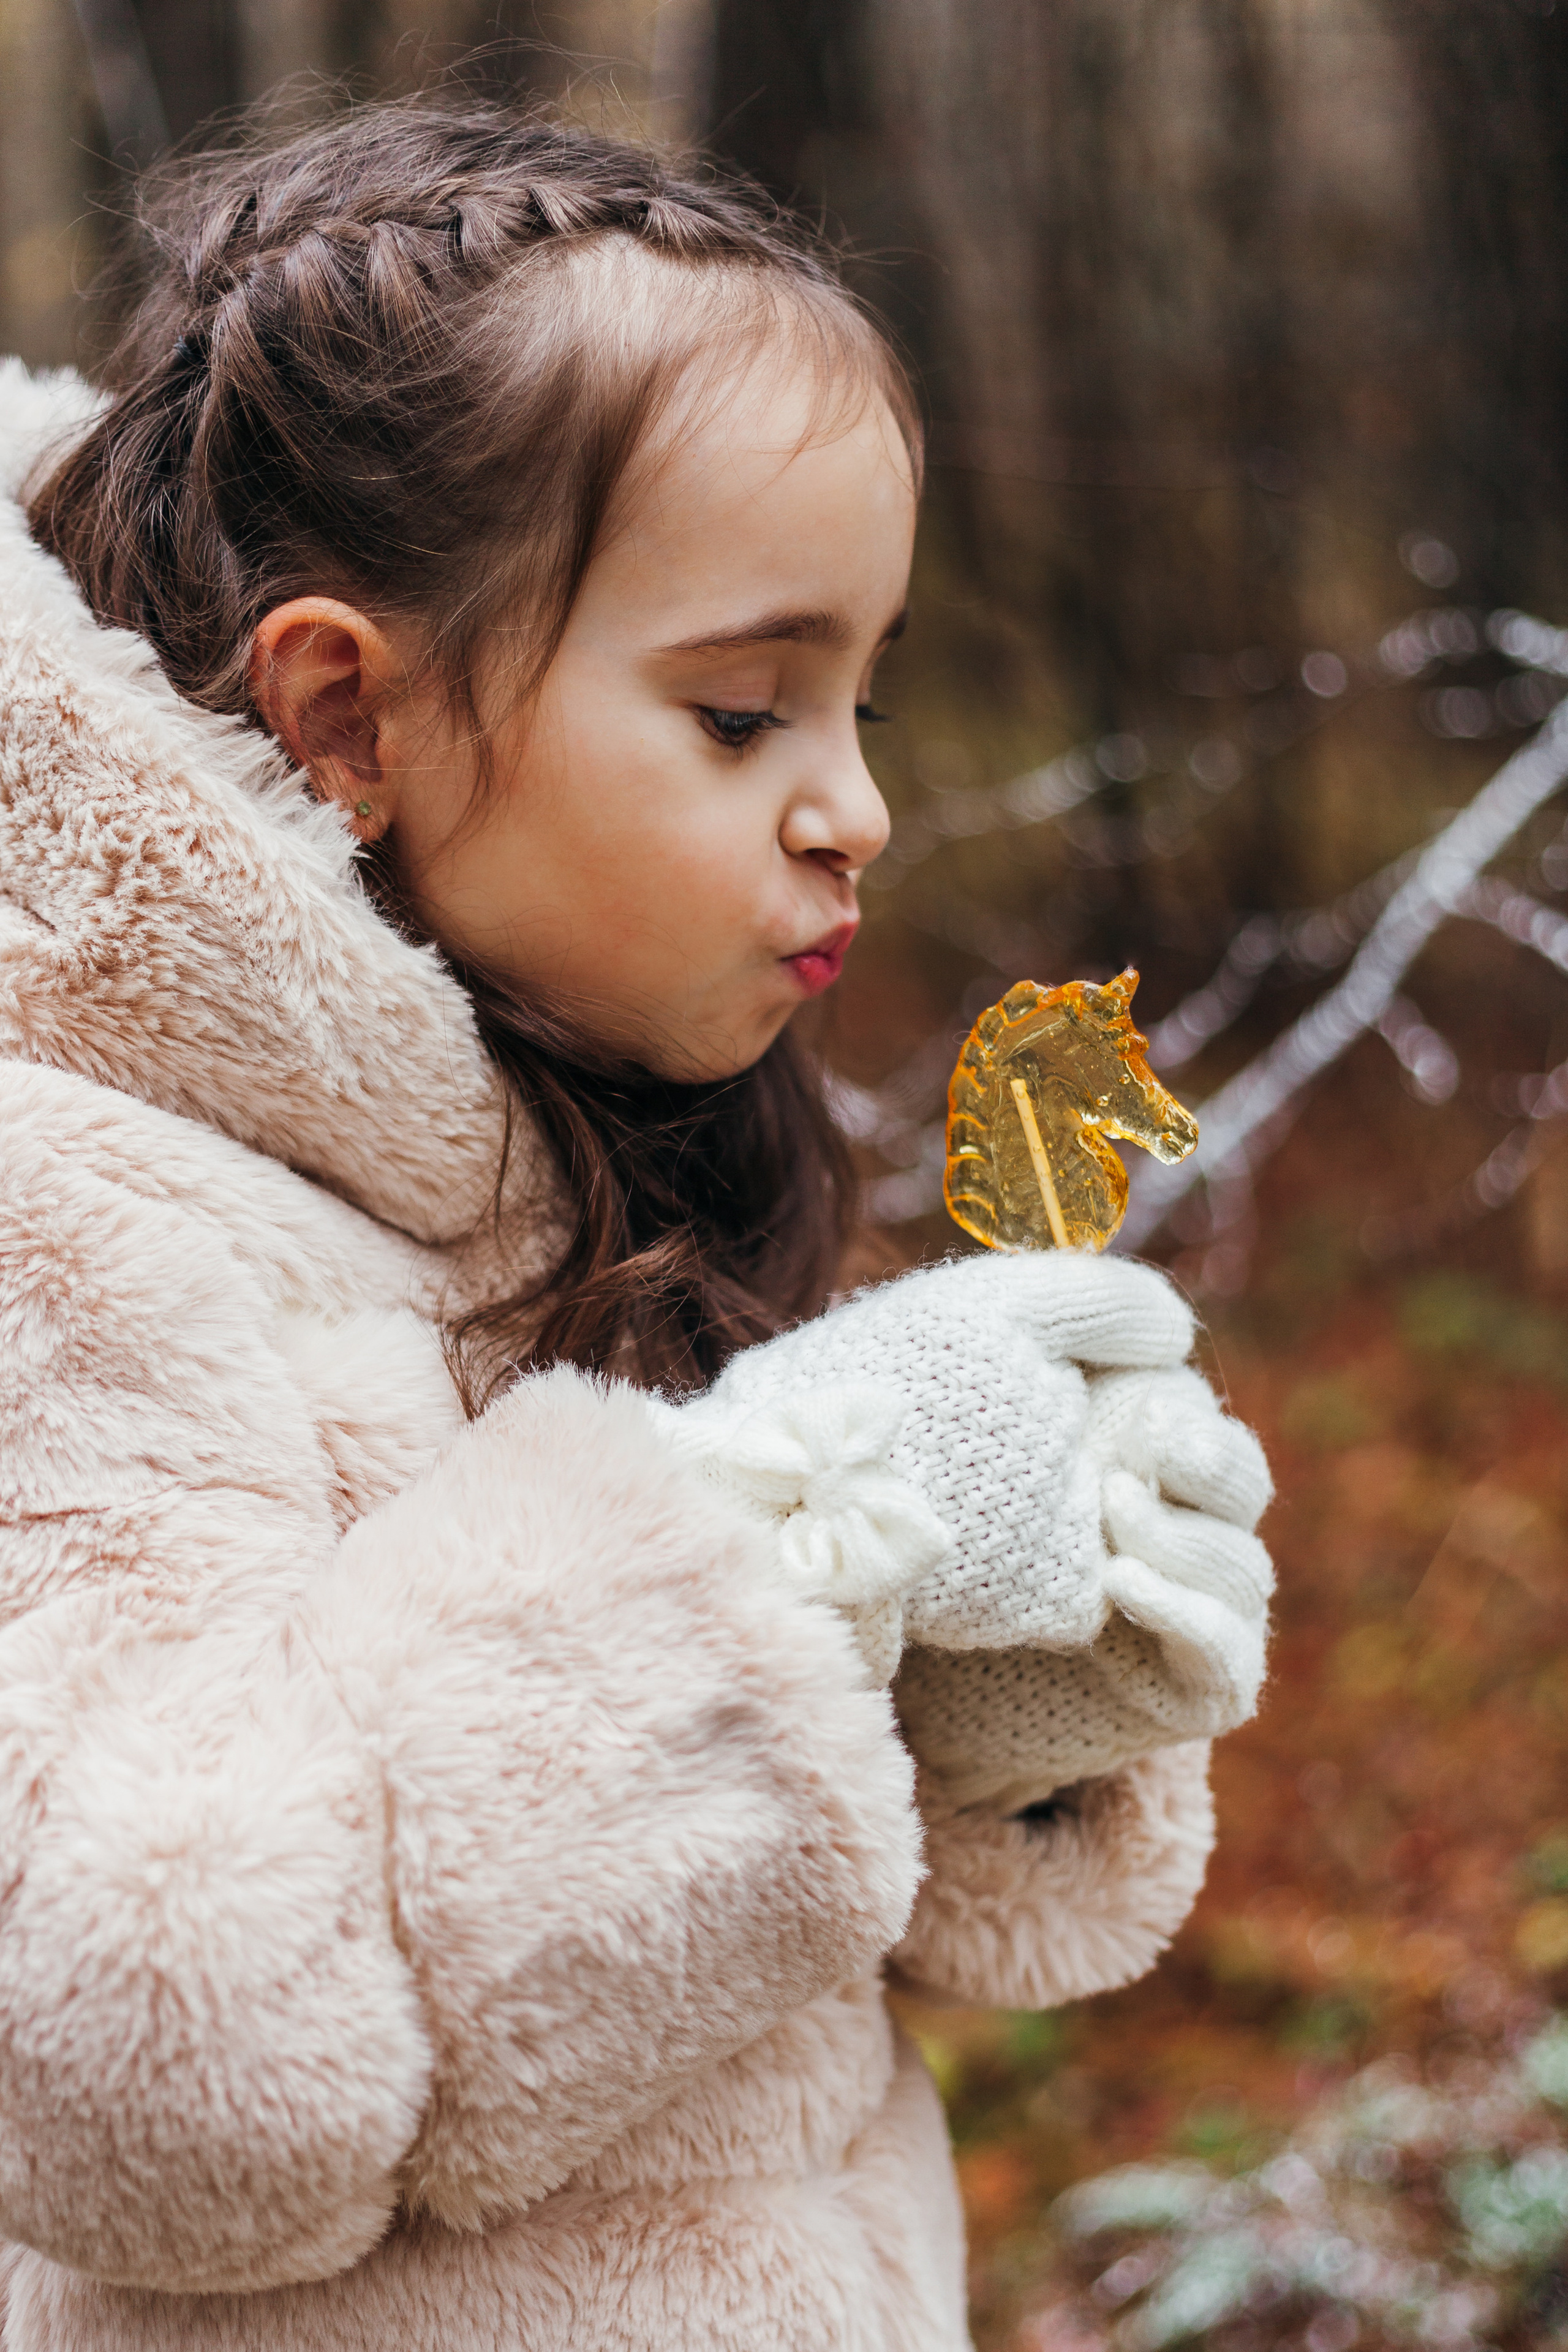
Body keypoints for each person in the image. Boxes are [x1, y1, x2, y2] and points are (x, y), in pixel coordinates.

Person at [0, 95, 1274, 2352]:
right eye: (742, 711)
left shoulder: (609, 1138)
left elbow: (742, 1940)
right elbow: (140, 2050)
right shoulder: (69, 1216)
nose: (857, 806)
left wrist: (1004, 1675)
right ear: (346, 714)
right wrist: (780, 1533)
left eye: (862, 699)